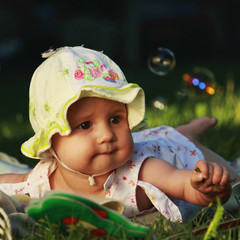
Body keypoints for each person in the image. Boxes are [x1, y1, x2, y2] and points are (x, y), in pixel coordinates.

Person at [0, 46, 238, 222]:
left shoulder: (144, 170)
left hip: (176, 149)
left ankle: (189, 134)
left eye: (115, 119)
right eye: (85, 125)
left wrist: (206, 187)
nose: (107, 135)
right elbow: (11, 182)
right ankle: (188, 130)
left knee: (230, 175)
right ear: (50, 140)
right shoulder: (43, 180)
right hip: (154, 140)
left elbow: (183, 184)